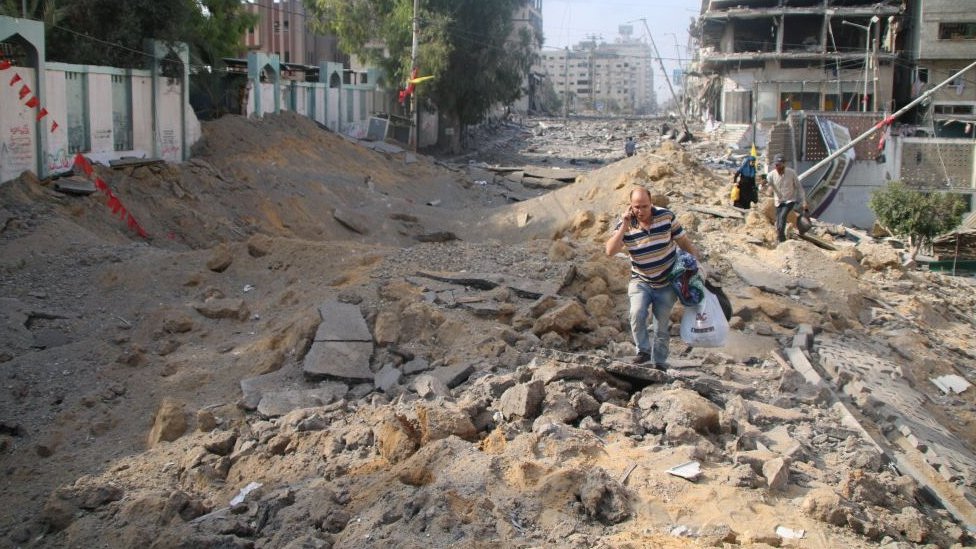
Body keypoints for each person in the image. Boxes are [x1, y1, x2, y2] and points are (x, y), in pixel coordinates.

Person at [605, 187, 707, 368]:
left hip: (667, 281)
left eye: (644, 206)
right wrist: (624, 226)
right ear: (630, 206)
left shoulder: (666, 217)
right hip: (641, 280)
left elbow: (683, 242)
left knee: (661, 325)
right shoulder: (625, 224)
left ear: (651, 203)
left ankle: (659, 362)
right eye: (636, 207)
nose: (641, 211)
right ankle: (643, 351)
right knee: (637, 313)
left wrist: (697, 265)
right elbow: (610, 251)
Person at [761, 154, 808, 243]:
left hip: (790, 200)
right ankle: (780, 237)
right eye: (776, 165)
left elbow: (799, 187)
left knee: (782, 216)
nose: (777, 167)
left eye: (779, 165)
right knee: (778, 221)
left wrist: (804, 201)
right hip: (778, 201)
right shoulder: (771, 175)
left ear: (784, 164)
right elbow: (766, 184)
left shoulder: (791, 173)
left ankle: (781, 240)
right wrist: (762, 185)